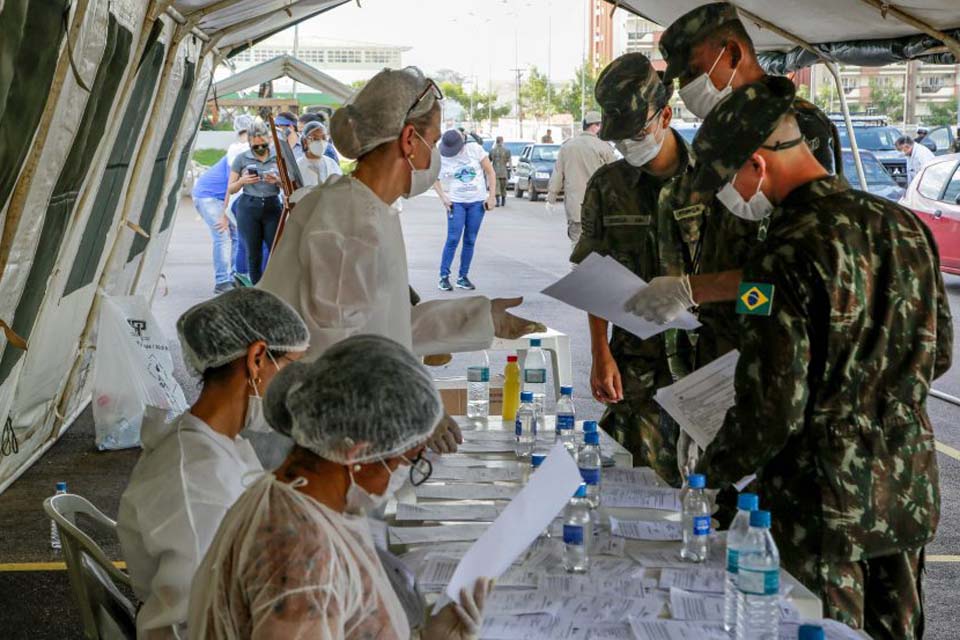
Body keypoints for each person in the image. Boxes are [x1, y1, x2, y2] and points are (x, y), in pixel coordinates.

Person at [679, 77, 951, 639]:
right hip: (906, 489)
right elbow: (939, 353)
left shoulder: (784, 252)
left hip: (823, 504)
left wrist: (709, 475)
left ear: (757, 164)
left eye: (729, 178)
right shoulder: (904, 226)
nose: (732, 193)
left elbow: (774, 405)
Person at [258, 66, 543, 454]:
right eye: (436, 140)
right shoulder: (351, 222)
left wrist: (483, 317)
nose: (438, 155)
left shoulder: (366, 208)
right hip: (316, 438)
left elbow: (381, 328)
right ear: (410, 139)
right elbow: (339, 353)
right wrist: (411, 410)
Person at [187, 334, 493, 640]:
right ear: (356, 453)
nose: (403, 472)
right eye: (408, 459)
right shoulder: (301, 559)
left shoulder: (304, 499)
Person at [626, 2, 842, 370]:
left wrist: (699, 290)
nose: (685, 89)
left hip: (769, 349)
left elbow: (798, 273)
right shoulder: (718, 132)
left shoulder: (795, 126)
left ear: (733, 53)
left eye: (693, 71)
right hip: (719, 339)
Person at [118, 288, 309, 640]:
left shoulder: (217, 443)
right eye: (292, 369)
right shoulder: (197, 478)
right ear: (257, 358)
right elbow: (194, 620)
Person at [572, 54, 690, 487]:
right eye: (621, 139)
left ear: (666, 116)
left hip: (707, 364)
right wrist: (600, 353)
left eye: (638, 133)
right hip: (636, 369)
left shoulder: (714, 184)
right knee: (633, 491)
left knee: (711, 503)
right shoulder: (608, 186)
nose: (629, 146)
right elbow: (593, 275)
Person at [434, 128, 497, 291]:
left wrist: (492, 196)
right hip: (456, 203)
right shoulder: (443, 157)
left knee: (470, 240)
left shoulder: (475, 149)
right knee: (453, 239)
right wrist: (443, 198)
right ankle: (443, 277)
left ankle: (462, 277)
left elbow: (490, 172)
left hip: (477, 203)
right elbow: (434, 178)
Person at [547, 111, 617, 246]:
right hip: (598, 206)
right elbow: (614, 177)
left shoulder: (567, 146)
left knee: (577, 242)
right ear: (596, 126)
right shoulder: (604, 147)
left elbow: (558, 174)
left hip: (575, 207)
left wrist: (551, 198)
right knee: (597, 244)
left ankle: (577, 265)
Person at [228, 122, 282, 284]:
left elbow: (290, 184)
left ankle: (274, 285)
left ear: (269, 140)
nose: (259, 148)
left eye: (263, 144)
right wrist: (243, 181)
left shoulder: (278, 156)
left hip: (272, 205)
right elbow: (230, 188)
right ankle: (257, 287)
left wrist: (277, 180)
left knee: (276, 249)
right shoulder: (242, 158)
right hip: (249, 206)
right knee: (253, 252)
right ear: (249, 142)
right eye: (255, 145)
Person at [191, 156, 237, 294]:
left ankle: (236, 277)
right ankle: (222, 282)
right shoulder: (238, 157)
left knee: (238, 236)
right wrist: (224, 215)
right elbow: (230, 188)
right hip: (208, 197)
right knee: (222, 236)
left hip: (221, 198)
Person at [296, 120, 342, 188]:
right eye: (315, 138)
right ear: (305, 141)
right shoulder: (298, 165)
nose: (321, 142)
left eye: (323, 138)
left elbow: (341, 186)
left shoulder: (331, 163)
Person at [488, 136, 512, 207]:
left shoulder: (492, 150)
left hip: (495, 171)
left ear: (496, 141)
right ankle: (503, 201)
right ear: (502, 141)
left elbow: (489, 161)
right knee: (503, 186)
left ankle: (498, 201)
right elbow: (510, 161)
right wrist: (512, 170)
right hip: (503, 171)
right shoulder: (507, 150)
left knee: (496, 186)